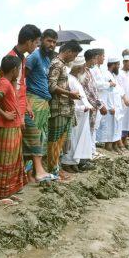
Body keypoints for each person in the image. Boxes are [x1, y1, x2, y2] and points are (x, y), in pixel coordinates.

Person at [0, 55, 27, 205]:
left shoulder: (5, 82)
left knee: (11, 160)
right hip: (7, 128)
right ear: (14, 70)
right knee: (5, 161)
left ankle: (6, 192)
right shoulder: (5, 83)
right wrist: (5, 114)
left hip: (12, 127)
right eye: (19, 69)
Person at [5, 24, 41, 183]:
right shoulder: (11, 58)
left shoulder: (23, 59)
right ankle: (22, 177)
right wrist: (19, 113)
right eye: (36, 42)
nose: (37, 45)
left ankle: (27, 175)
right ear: (28, 41)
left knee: (28, 138)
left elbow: (22, 85)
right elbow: (10, 88)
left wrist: (27, 105)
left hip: (22, 107)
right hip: (13, 109)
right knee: (17, 143)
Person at [23, 29, 57, 182]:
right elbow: (22, 79)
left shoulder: (46, 59)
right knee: (34, 137)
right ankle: (36, 172)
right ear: (42, 40)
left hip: (43, 102)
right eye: (49, 41)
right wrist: (26, 101)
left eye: (54, 42)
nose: (52, 44)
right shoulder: (34, 56)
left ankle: (30, 175)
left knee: (39, 137)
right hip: (33, 100)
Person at [47, 40, 82, 180]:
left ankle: (57, 169)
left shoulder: (61, 65)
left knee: (61, 142)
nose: (74, 59)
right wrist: (70, 94)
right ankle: (53, 171)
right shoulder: (56, 64)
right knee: (55, 141)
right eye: (74, 55)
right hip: (58, 108)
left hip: (65, 108)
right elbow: (51, 86)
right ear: (68, 52)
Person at [61, 56, 94, 171]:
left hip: (82, 116)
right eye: (84, 66)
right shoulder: (69, 79)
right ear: (79, 67)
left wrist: (87, 107)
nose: (85, 69)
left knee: (78, 140)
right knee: (72, 138)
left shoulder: (76, 79)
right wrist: (81, 108)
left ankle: (74, 162)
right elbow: (69, 100)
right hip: (75, 114)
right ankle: (66, 163)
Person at [97, 57, 127, 153]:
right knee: (109, 128)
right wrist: (110, 107)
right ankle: (108, 147)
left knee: (116, 127)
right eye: (118, 65)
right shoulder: (106, 75)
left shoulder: (113, 75)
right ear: (113, 65)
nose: (119, 67)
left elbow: (117, 89)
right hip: (110, 106)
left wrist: (124, 98)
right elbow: (108, 92)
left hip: (116, 105)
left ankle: (114, 146)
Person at [82, 49, 107, 159]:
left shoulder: (88, 71)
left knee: (92, 128)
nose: (95, 61)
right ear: (93, 59)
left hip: (94, 104)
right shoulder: (86, 72)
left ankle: (91, 151)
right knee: (89, 129)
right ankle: (90, 152)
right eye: (95, 59)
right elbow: (90, 91)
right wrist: (99, 105)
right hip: (90, 105)